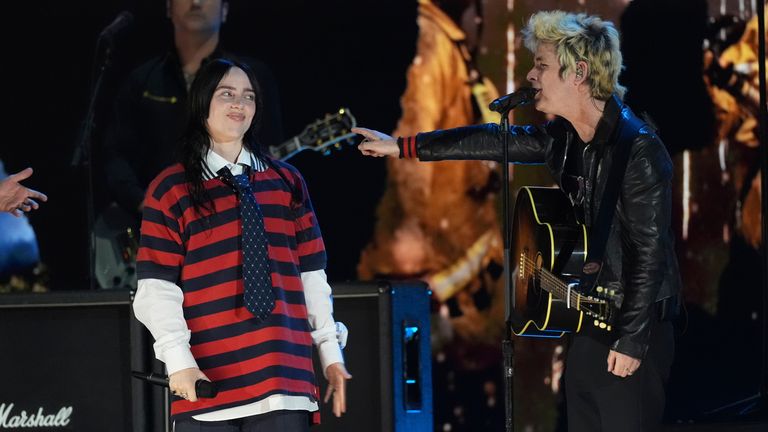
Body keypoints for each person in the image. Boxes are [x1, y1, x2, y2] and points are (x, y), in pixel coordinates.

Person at [357, 10, 680, 432]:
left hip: (634, 326)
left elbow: (649, 254)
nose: (531, 76)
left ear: (578, 72)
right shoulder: (564, 139)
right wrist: (404, 146)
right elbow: (494, 140)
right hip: (588, 319)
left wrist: (632, 339)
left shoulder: (638, 152)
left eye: (541, 65)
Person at [133, 58, 350, 431]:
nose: (239, 103)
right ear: (203, 104)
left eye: (248, 97)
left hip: (284, 373)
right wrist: (179, 361)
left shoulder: (286, 181)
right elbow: (157, 288)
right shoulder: (172, 189)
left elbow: (312, 275)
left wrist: (330, 352)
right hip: (209, 379)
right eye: (227, 94)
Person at [103, 0, 282, 218]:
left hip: (231, 222)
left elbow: (270, 153)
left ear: (224, 10)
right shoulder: (142, 81)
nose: (196, 2)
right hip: (154, 227)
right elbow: (116, 154)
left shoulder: (253, 78)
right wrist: (142, 203)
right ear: (169, 7)